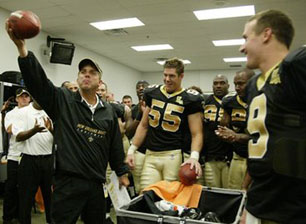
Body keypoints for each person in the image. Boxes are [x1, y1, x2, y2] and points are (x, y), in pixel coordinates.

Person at [6, 22, 129, 224]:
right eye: (83, 71)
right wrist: (22, 50)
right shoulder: (63, 100)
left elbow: (114, 146)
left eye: (92, 72)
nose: (86, 74)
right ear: (78, 78)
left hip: (96, 184)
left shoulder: (107, 111)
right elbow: (39, 82)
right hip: (67, 184)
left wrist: (122, 172)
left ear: (99, 81)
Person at [239, 10, 306, 223]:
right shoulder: (252, 85)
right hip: (259, 201)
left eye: (246, 38)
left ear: (266, 34)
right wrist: (249, 205)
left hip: (292, 208)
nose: (242, 47)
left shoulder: (295, 68)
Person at [126, 58, 203, 191]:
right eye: (165, 75)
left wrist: (194, 157)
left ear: (181, 76)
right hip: (151, 154)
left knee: (169, 197)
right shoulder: (152, 93)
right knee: (147, 194)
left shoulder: (190, 99)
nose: (167, 79)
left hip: (172, 155)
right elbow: (144, 125)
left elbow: (196, 133)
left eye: (172, 76)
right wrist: (131, 150)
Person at [14, 100, 53, 224]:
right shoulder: (22, 112)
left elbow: (61, 136)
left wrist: (51, 129)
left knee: (51, 199)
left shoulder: (51, 111)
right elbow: (18, 136)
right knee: (26, 200)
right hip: (29, 161)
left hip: (48, 160)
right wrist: (34, 130)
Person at [218, 68, 254, 189]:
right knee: (235, 193)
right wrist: (223, 133)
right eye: (235, 84)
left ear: (252, 82)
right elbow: (223, 127)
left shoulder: (263, 100)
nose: (237, 87)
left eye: (241, 84)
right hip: (238, 156)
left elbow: (263, 137)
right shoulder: (229, 102)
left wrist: (236, 136)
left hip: (258, 157)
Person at [2, 88, 31, 223]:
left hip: (30, 155)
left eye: (27, 96)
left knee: (25, 188)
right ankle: (8, 216)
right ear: (17, 99)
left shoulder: (34, 113)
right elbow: (9, 130)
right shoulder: (10, 114)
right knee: (11, 187)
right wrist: (26, 129)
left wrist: (19, 128)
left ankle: (22, 216)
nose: (24, 99)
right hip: (14, 155)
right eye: (22, 97)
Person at [202, 74, 232, 188]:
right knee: (213, 191)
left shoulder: (233, 101)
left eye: (222, 83)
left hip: (229, 158)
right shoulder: (205, 102)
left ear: (228, 85)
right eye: (215, 83)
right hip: (210, 158)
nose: (218, 86)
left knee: (230, 192)